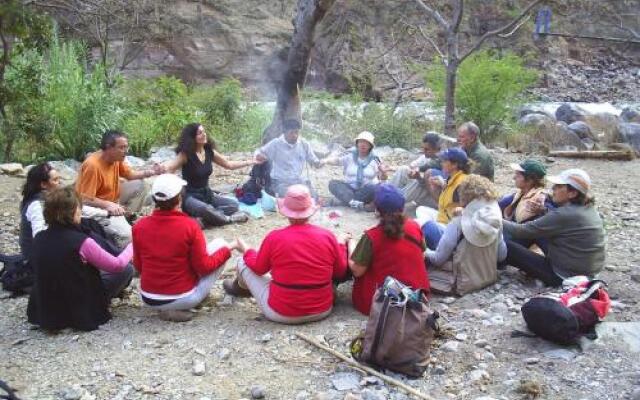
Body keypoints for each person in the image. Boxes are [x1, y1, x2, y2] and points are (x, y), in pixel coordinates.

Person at [222, 184, 348, 324]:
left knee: (242, 261)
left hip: (282, 312)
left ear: (286, 212)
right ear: (310, 211)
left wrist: (247, 249)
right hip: (322, 309)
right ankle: (242, 289)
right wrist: (340, 244)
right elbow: (340, 271)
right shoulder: (328, 236)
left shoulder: (275, 237)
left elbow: (259, 268)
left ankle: (239, 289)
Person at [132, 174, 240, 322]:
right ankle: (174, 308)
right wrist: (230, 248)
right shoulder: (190, 225)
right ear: (179, 199)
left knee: (213, 246)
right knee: (222, 245)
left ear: (155, 199)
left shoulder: (139, 226)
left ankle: (166, 308)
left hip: (148, 297)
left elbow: (139, 266)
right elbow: (204, 267)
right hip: (182, 297)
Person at [26, 186, 134, 331]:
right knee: (126, 270)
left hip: (45, 307)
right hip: (78, 306)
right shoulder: (81, 241)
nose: (80, 211)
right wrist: (133, 246)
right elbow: (117, 265)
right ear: (71, 212)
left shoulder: (39, 238)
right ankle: (98, 303)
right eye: (78, 207)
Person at [503, 169, 606, 286]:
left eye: (558, 186)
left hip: (563, 275)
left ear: (572, 193)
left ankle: (494, 261)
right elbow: (556, 225)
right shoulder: (587, 208)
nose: (553, 189)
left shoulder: (565, 214)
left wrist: (494, 219)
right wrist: (543, 211)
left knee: (508, 246)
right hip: (585, 270)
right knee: (535, 229)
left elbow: (522, 231)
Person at [349, 184, 429, 315]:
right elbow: (423, 256)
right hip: (416, 296)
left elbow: (357, 271)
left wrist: (350, 247)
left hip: (383, 303)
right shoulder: (415, 227)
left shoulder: (371, 236)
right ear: (402, 207)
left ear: (377, 210)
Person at [76, 130, 164, 248]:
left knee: (142, 185)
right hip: (95, 209)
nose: (125, 151)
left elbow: (130, 175)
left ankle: (123, 216)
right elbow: (84, 198)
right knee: (130, 236)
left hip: (114, 200)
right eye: (121, 147)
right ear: (108, 147)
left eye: (126, 147)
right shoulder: (92, 166)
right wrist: (107, 205)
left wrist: (152, 172)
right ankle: (113, 229)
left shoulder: (116, 159)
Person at [163, 123, 254, 226]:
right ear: (192, 137)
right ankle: (229, 219)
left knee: (234, 205)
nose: (204, 135)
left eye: (204, 132)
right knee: (205, 209)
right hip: (190, 197)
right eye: (200, 133)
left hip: (207, 195)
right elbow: (169, 168)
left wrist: (250, 161)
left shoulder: (209, 152)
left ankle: (204, 220)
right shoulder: (185, 154)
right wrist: (163, 170)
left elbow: (229, 165)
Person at [425, 174, 507, 268]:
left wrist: (425, 252)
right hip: (487, 271)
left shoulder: (458, 222)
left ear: (464, 196)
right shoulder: (494, 219)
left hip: (463, 272)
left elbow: (438, 259)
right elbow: (501, 256)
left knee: (428, 226)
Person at [255, 119, 323, 198]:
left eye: (297, 132)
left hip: (299, 181)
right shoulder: (276, 143)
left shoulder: (304, 144)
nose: (295, 135)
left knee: (313, 196)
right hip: (280, 183)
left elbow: (314, 160)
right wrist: (258, 155)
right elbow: (258, 152)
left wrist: (318, 163)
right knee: (293, 197)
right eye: (291, 133)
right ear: (284, 133)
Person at [418, 148, 470, 250]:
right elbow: (444, 204)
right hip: (445, 218)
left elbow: (464, 211)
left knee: (419, 223)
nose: (442, 163)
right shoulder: (453, 177)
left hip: (451, 227)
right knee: (420, 209)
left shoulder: (461, 183)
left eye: (445, 161)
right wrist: (442, 186)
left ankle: (436, 242)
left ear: (454, 165)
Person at [326, 131, 387, 211]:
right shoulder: (350, 156)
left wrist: (383, 172)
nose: (363, 144)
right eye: (361, 142)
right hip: (349, 189)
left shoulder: (375, 159)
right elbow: (337, 161)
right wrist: (325, 160)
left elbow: (383, 179)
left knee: (378, 187)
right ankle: (356, 204)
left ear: (370, 146)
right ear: (357, 143)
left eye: (366, 143)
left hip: (365, 191)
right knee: (333, 183)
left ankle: (346, 201)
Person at [19, 163, 61, 262]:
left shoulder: (49, 199)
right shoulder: (38, 205)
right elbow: (39, 236)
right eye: (55, 180)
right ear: (43, 184)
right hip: (36, 258)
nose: (59, 183)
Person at [389, 132, 442, 208]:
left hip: (435, 200)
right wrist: (413, 172)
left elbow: (430, 185)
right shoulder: (425, 157)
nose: (423, 151)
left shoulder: (444, 161)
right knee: (403, 169)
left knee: (418, 183)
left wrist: (419, 177)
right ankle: (386, 195)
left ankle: (390, 203)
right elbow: (412, 166)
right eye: (423, 148)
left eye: (427, 149)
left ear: (436, 150)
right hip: (421, 194)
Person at [500, 159, 551, 224]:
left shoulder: (541, 200)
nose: (514, 177)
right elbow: (501, 204)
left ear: (530, 180)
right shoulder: (521, 194)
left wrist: (544, 210)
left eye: (518, 175)